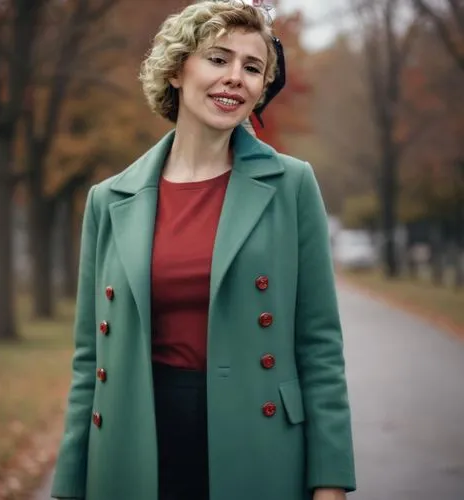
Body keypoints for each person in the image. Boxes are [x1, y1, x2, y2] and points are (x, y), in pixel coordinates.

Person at [50, 1, 356, 499]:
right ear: (176, 70)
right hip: (135, 446)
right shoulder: (109, 200)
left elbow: (320, 348)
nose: (235, 77)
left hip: (260, 446)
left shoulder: (292, 184)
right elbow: (90, 362)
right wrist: (68, 486)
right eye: (218, 59)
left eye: (252, 67)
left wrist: (331, 482)